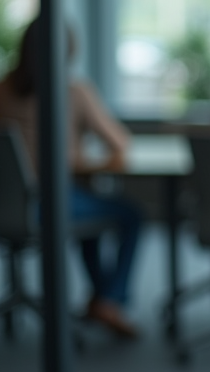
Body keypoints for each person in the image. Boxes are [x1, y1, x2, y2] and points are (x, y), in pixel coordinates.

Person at [0, 17, 143, 338]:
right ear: (67, 51)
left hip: (6, 205)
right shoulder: (72, 90)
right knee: (130, 214)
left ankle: (100, 299)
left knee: (90, 208)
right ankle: (110, 299)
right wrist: (79, 157)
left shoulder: (2, 89)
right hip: (48, 202)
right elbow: (120, 142)